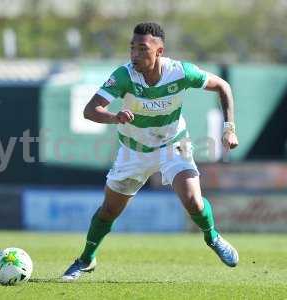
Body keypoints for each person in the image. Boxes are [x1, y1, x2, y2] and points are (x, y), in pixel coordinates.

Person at [62, 22, 239, 281]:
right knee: (109, 211)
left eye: (142, 49)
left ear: (159, 51)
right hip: (133, 151)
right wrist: (115, 117)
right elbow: (89, 110)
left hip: (173, 145)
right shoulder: (123, 76)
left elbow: (223, 86)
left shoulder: (180, 72)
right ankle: (86, 259)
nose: (135, 54)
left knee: (192, 201)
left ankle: (212, 237)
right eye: (132, 48)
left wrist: (229, 128)